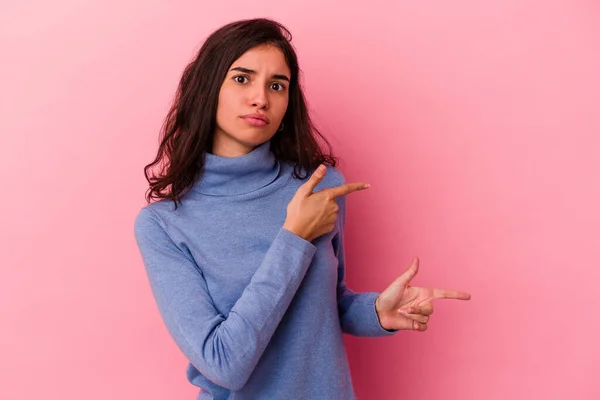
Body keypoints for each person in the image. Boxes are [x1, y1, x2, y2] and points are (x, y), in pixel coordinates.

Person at [133, 17, 471, 400]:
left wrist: (378, 312)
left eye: (277, 85)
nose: (261, 98)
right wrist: (293, 238)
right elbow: (224, 363)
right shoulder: (164, 225)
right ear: (208, 90)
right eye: (242, 79)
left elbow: (328, 304)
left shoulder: (320, 187)